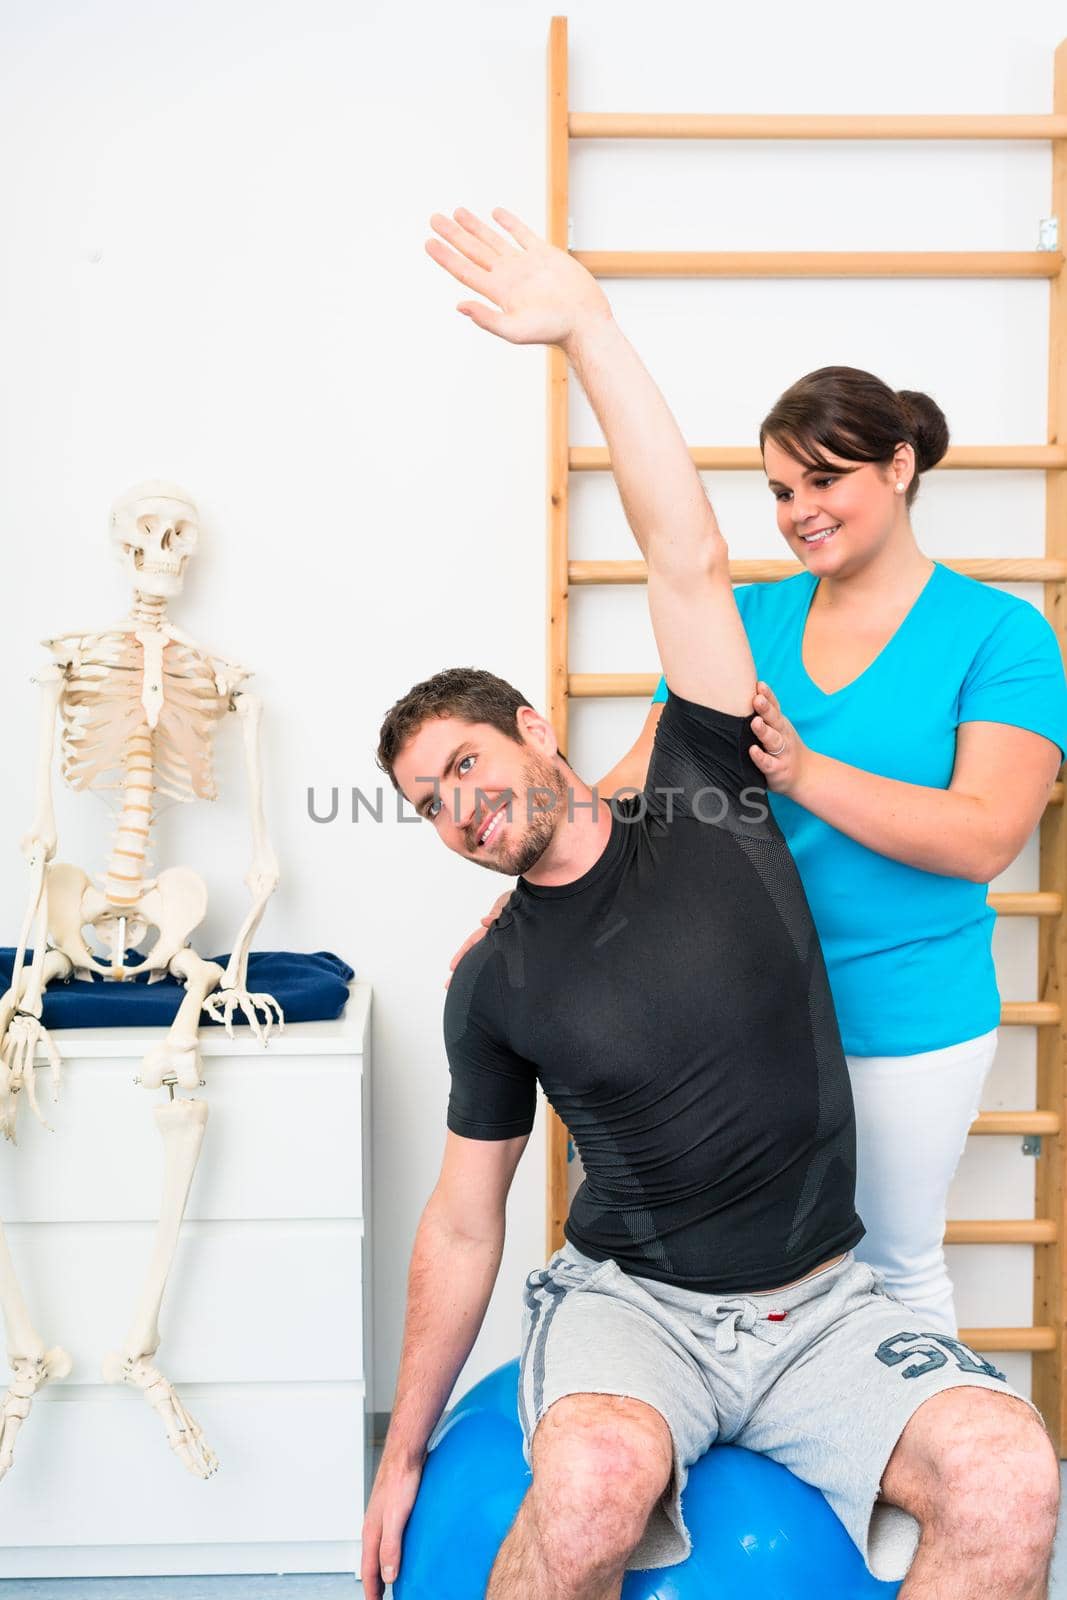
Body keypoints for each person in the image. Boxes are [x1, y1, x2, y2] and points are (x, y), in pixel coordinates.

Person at [360, 206, 1059, 1600]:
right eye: (427, 804)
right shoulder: (495, 977)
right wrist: (398, 1455)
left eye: (467, 767)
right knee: (594, 1484)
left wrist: (587, 330)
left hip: (834, 1251)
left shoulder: (725, 768)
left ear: (528, 725)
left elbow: (679, 556)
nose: (460, 807)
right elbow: (457, 1221)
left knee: (1008, 1477)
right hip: (638, 1306)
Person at [456, 381, 1067, 1341]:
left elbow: (986, 833)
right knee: (752, 1290)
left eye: (823, 480)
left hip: (900, 1015)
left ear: (900, 467)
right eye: (780, 491)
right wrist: (520, 904)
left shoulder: (1000, 636)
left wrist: (804, 771)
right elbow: (633, 783)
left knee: (890, 1273)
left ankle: (915, 1484)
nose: (797, 513)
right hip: (731, 1017)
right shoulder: (746, 620)